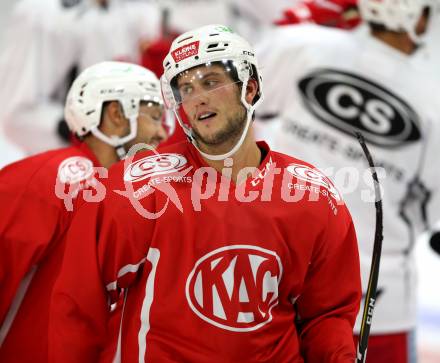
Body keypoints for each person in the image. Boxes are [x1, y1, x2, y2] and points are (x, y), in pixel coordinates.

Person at [49, 24, 361, 362]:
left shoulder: (312, 195)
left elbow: (326, 315)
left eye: (211, 82)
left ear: (251, 89)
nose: (197, 97)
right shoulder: (138, 188)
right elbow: (79, 304)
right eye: (186, 88)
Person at [254, 0, 440, 361]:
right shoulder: (434, 97)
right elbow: (431, 211)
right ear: (418, 13)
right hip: (375, 301)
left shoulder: (297, 45)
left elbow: (225, 130)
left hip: (268, 280)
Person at [0, 61, 167, 363]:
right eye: (154, 116)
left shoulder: (134, 194)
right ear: (117, 114)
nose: (160, 133)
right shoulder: (51, 178)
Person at [0, 0, 161, 157]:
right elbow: (16, 115)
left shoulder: (139, 10)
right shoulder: (44, 13)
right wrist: (87, 129)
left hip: (129, 163)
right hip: (68, 169)